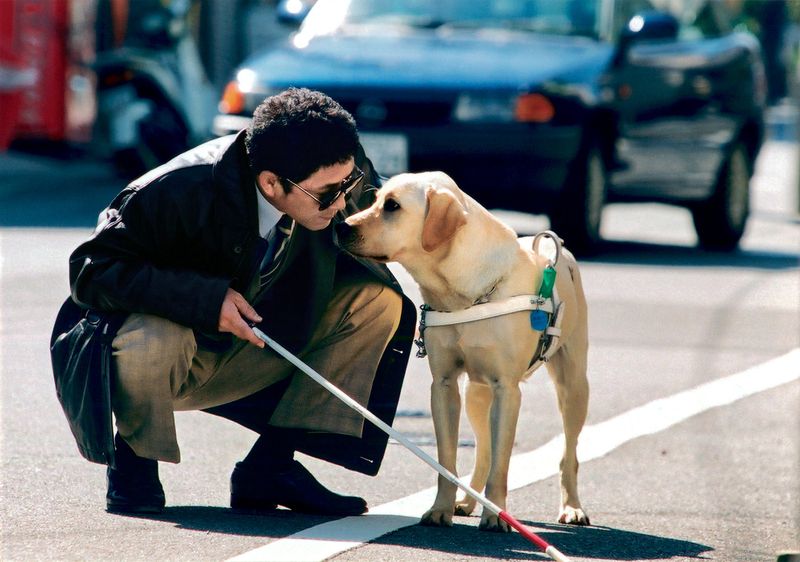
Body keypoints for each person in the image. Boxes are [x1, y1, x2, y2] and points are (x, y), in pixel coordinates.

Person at [65, 87, 415, 515]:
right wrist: (205, 299)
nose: (343, 202)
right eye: (327, 194)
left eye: (350, 183)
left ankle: (270, 467)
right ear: (271, 182)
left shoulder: (335, 165)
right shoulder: (177, 189)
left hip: (260, 348)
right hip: (174, 358)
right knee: (154, 334)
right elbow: (90, 270)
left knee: (377, 301)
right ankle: (134, 462)